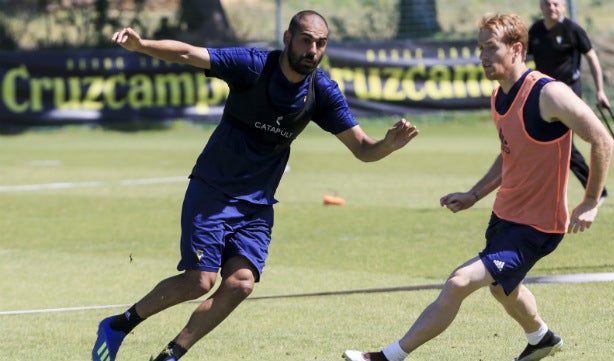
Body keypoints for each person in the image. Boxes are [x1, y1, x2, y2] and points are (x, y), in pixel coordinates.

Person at [92, 10, 419, 361]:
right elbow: (189, 53)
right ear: (287, 39)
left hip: (257, 206)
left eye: (320, 43)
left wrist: (388, 145)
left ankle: (171, 355)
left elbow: (362, 149)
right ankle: (119, 325)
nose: (313, 49)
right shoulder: (253, 65)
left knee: (241, 283)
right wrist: (142, 45)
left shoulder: (321, 90)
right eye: (306, 40)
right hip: (213, 190)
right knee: (199, 281)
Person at [343, 12, 613, 361]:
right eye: (479, 48)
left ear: (516, 50)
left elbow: (601, 139)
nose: (482, 56)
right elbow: (509, 152)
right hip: (506, 216)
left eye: (490, 48)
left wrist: (591, 200)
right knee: (503, 290)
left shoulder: (549, 94)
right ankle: (541, 338)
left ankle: (386, 357)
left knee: (460, 281)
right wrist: (474, 195)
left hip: (538, 225)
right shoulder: (499, 97)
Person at [528, 0, 610, 201]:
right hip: (544, 95)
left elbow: (592, 58)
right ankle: (544, 194)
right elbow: (522, 59)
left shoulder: (572, 30)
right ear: (541, 6)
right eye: (547, 4)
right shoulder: (536, 30)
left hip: (569, 95)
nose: (552, 8)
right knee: (545, 145)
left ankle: (597, 192)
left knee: (565, 146)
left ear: (563, 6)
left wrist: (600, 91)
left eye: (556, 4)